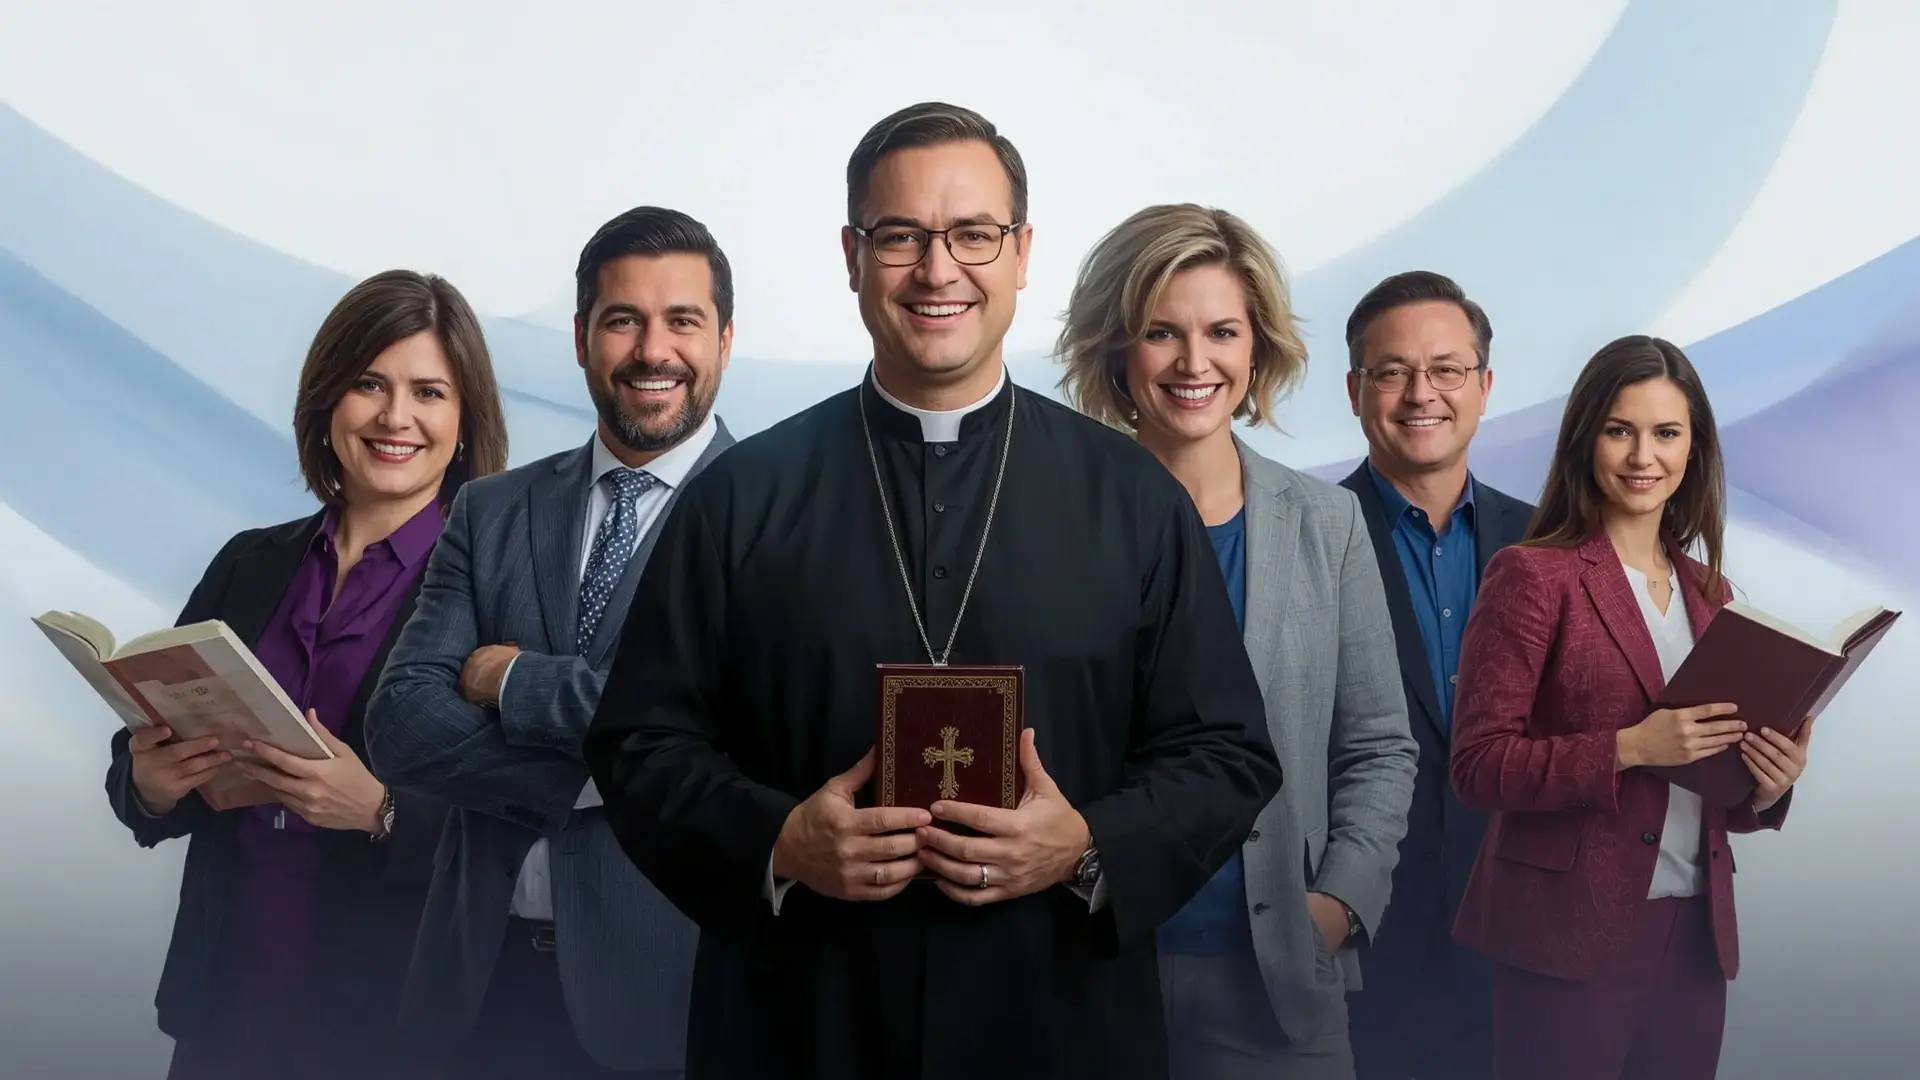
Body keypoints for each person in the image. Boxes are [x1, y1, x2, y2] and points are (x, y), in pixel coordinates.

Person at [581, 102, 1282, 1080]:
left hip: (1059, 1021)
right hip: (803, 1022)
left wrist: (1087, 846)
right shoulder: (742, 496)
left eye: (973, 234)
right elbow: (640, 743)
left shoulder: (1131, 498)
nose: (938, 269)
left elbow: (1224, 753)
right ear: (852, 256)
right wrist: (780, 842)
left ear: (1022, 252)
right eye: (901, 236)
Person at [104, 269, 510, 1079]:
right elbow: (138, 767)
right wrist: (149, 783)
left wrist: (383, 812)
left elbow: (527, 822)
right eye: (369, 384)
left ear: (465, 422)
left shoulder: (499, 592)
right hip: (226, 1006)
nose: (395, 417)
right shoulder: (249, 564)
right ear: (327, 403)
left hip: (386, 1023)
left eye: (429, 392)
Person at [362, 206, 736, 1079]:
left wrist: (513, 683)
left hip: (669, 1006)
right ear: (580, 337)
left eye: (682, 321)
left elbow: (736, 725)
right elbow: (399, 726)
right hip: (474, 992)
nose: (653, 350)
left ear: (724, 338)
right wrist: (630, 775)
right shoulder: (491, 509)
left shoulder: (774, 514)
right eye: (622, 320)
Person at [1055, 203, 1417, 1080]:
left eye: (1221, 331)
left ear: (1257, 349)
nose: (1194, 362)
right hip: (1090, 968)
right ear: (1117, 350)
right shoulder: (1055, 522)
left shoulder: (1327, 524)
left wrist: (1337, 905)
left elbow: (1378, 747)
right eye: (1160, 332)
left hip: (1278, 981)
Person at [1448, 334, 1810, 1079]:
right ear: (1587, 438)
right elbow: (1478, 766)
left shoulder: (1712, 594)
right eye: (1620, 430)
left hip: (1695, 935)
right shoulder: (1532, 576)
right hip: (1565, 933)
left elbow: (1713, 785)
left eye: (1666, 433)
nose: (1644, 456)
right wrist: (1630, 747)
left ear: (1693, 447)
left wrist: (1768, 785)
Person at [1332, 270, 1533, 1080]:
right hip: (1362, 937)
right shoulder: (1306, 537)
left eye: (1447, 369)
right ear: (1355, 391)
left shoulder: (1548, 544)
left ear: (1484, 386)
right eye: (1393, 372)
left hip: (1523, 936)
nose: (1422, 394)